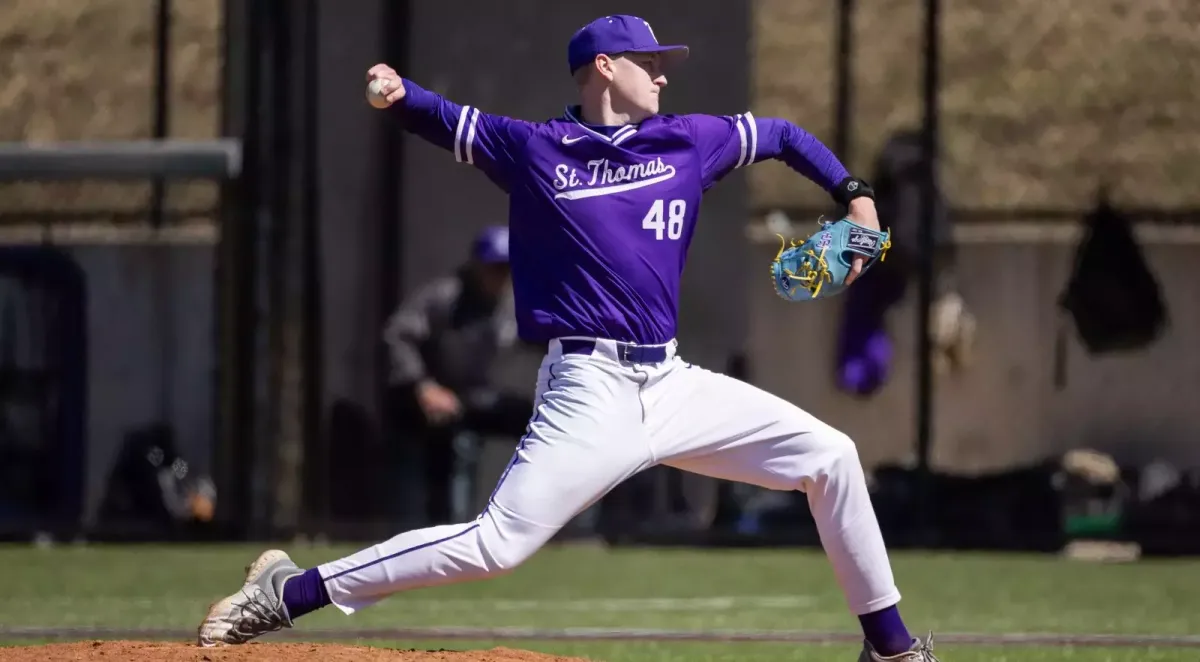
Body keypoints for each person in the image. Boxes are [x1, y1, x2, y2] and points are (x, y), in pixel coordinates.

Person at [198, 15, 939, 661]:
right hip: (590, 389)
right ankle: (287, 591)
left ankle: (892, 647)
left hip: (674, 382)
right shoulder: (537, 151)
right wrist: (398, 93)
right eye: (651, 63)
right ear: (605, 68)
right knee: (497, 546)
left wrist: (856, 197)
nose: (662, 76)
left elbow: (780, 135)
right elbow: (448, 120)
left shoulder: (690, 142)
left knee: (832, 458)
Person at [382, 225, 534, 524]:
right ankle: (456, 527)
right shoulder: (445, 296)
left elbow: (536, 338)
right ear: (477, 266)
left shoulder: (510, 303)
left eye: (506, 269)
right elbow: (397, 336)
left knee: (544, 424)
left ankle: (549, 525)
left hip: (476, 395)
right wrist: (423, 386)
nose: (500, 277)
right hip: (431, 396)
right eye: (493, 269)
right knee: (458, 444)